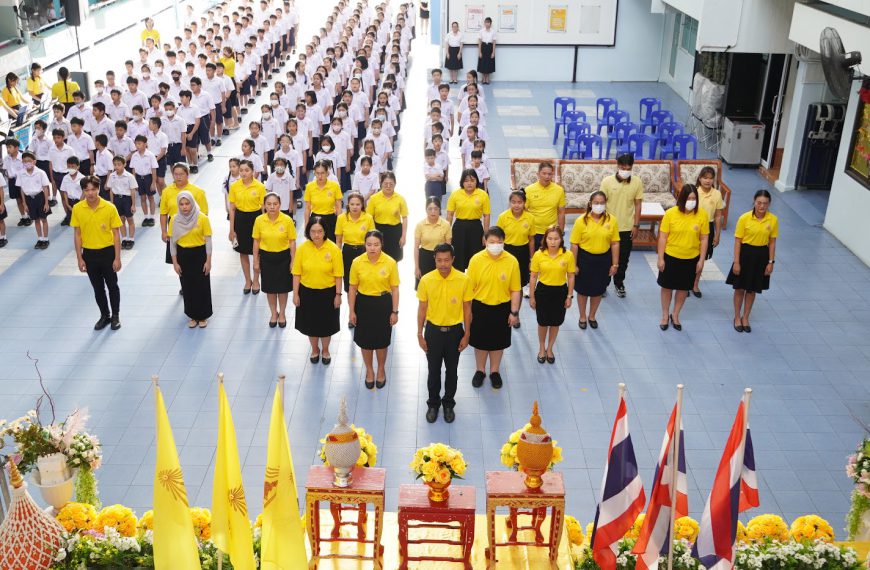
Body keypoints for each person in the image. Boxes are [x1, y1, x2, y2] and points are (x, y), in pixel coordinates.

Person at [416, 243, 473, 424]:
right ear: (434, 260)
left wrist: (467, 334)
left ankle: (448, 404)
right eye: (439, 260)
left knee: (452, 371)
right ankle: (433, 404)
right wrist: (419, 334)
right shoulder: (426, 280)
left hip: (455, 332)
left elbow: (467, 309)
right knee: (433, 371)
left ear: (453, 260)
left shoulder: (463, 280)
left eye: (446, 260)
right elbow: (422, 308)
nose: (443, 264)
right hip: (433, 331)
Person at [467, 226, 520, 389]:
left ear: (504, 242)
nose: (495, 245)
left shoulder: (511, 261)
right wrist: (468, 312)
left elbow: (515, 289)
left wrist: (514, 312)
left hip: (502, 308)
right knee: (480, 342)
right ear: (485, 241)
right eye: (492, 242)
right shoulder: (476, 259)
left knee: (498, 342)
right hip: (480, 307)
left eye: (499, 242)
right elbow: (468, 289)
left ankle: (494, 371)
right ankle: (480, 370)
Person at [349, 230, 400, 389]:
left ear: (381, 245)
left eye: (376, 245)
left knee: (381, 341)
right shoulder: (357, 262)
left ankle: (381, 370)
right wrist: (352, 311)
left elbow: (395, 289)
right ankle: (370, 370)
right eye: (369, 244)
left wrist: (394, 311)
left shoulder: (390, 262)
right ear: (365, 244)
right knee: (365, 340)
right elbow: (352, 289)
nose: (372, 248)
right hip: (363, 303)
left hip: (383, 303)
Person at [71, 176, 122, 331]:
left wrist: (117, 257)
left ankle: (115, 316)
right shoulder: (78, 208)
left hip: (107, 253)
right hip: (90, 254)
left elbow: (116, 234)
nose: (90, 193)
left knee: (112, 286)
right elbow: (77, 234)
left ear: (99, 189)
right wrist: (80, 258)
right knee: (97, 288)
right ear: (83, 191)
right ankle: (104, 315)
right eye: (87, 190)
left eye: (93, 189)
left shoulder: (109, 207)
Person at [656, 184, 709, 331]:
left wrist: (701, 260)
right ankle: (665, 315)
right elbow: (663, 237)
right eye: (688, 198)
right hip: (671, 257)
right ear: (681, 198)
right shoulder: (671, 214)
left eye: (694, 199)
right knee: (667, 287)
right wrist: (661, 258)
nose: (691, 201)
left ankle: (676, 314)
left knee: (683, 289)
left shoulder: (702, 215)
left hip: (691, 258)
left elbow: (704, 239)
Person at [293, 216, 343, 365]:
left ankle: (326, 350)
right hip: (307, 292)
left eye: (319, 231)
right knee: (311, 325)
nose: (316, 235)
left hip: (328, 293)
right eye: (313, 231)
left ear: (325, 232)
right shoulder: (302, 248)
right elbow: (297, 273)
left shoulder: (334, 249)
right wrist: (295, 294)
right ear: (308, 232)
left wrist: (338, 295)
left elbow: (338, 275)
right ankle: (315, 349)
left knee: (327, 325)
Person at [726, 190, 778, 333]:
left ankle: (746, 317)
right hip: (745, 255)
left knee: (752, 289)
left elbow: (772, 242)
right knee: (740, 288)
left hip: (761, 256)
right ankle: (737, 317)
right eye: (759, 203)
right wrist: (736, 262)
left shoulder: (773, 220)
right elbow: (738, 241)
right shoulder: (744, 218)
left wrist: (771, 262)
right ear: (754, 202)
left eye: (765, 203)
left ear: (769, 204)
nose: (761, 206)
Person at [569, 191, 619, 329]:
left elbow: (615, 243)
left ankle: (592, 316)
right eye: (596, 203)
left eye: (602, 203)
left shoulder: (611, 220)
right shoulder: (581, 221)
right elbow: (574, 244)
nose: (599, 205)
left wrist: (615, 264)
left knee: (598, 290)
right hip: (584, 259)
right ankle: (582, 316)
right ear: (590, 204)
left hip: (603, 260)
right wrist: (574, 264)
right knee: (583, 290)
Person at [529, 225, 575, 363]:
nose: (553, 241)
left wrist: (569, 296)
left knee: (555, 323)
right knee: (542, 322)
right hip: (543, 291)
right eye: (550, 238)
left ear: (561, 239)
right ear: (545, 239)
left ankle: (550, 348)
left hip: (560, 291)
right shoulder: (538, 254)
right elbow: (533, 277)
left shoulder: (568, 255)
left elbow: (571, 276)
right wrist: (532, 296)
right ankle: (542, 347)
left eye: (556, 238)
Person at [600, 153, 642, 298]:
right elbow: (601, 203)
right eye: (623, 167)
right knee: (606, 258)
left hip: (626, 228)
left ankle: (619, 283)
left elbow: (638, 205)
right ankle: (603, 284)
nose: (625, 170)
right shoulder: (607, 182)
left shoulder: (637, 182)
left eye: (628, 168)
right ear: (617, 166)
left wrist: (636, 225)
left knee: (623, 259)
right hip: (608, 227)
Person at [253, 193, 297, 328]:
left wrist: (293, 261)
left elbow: (292, 242)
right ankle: (273, 313)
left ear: (280, 204)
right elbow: (256, 241)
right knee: (270, 289)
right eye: (269, 204)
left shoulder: (287, 220)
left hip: (283, 258)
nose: (272, 207)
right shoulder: (259, 220)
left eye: (275, 204)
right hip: (266, 258)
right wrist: (255, 260)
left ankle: (282, 313)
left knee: (283, 289)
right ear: (264, 205)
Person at [170, 191, 213, 328]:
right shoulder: (175, 220)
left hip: (199, 254)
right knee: (187, 286)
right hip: (183, 256)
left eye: (187, 203)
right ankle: (192, 315)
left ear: (192, 203)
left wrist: (208, 261)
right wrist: (175, 263)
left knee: (202, 285)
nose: (184, 207)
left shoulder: (202, 218)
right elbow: (172, 243)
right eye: (181, 204)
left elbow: (208, 241)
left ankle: (203, 315)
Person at [228, 159, 266, 294]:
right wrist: (231, 229)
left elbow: (263, 210)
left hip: (255, 219)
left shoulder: (260, 187)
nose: (243, 173)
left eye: (247, 170)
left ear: (252, 171)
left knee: (257, 253)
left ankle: (256, 280)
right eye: (241, 170)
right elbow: (232, 209)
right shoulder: (234, 186)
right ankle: (247, 280)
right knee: (243, 252)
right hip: (240, 219)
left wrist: (264, 227)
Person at [496, 190, 535, 308]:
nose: (516, 205)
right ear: (509, 203)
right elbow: (498, 238)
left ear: (524, 203)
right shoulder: (503, 217)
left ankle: (515, 312)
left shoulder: (530, 218)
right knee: (504, 283)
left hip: (522, 253)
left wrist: (531, 258)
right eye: (513, 202)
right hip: (506, 251)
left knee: (518, 285)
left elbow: (531, 240)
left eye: (519, 202)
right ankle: (505, 310)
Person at [446, 169, 490, 271]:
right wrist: (447, 233)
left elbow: (486, 216)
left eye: (472, 180)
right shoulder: (455, 194)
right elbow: (449, 215)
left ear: (477, 181)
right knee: (458, 258)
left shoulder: (483, 194)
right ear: (462, 182)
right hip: (459, 228)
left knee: (475, 258)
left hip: (476, 228)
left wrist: (485, 234)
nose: (469, 183)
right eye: (466, 181)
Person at [692, 167, 725, 297]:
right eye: (705, 177)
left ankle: (695, 285)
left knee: (702, 258)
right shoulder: (694, 192)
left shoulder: (717, 194)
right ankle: (685, 283)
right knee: (689, 256)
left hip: (708, 227)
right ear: (700, 178)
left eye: (711, 178)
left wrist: (717, 235)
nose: (708, 181)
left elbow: (718, 216)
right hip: (693, 227)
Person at [335, 192, 374, 294]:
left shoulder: (368, 218)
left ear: (362, 205)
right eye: (352, 204)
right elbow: (338, 240)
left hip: (363, 252)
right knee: (349, 283)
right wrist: (337, 256)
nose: (355, 207)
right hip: (348, 251)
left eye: (358, 204)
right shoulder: (341, 218)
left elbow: (372, 239)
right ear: (348, 205)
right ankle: (351, 308)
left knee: (364, 280)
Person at [366, 171, 408, 262]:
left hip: (395, 231)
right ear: (381, 184)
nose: (388, 186)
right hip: (378, 230)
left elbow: (404, 217)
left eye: (391, 184)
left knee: (394, 259)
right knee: (377, 257)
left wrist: (404, 236)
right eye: (386, 184)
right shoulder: (374, 198)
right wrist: (371, 235)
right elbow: (369, 218)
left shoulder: (400, 199)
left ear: (395, 184)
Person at [414, 197, 452, 288]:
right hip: (424, 258)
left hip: (440, 258)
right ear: (426, 210)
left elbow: (449, 247)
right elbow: (416, 247)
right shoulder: (420, 225)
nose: (433, 212)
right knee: (424, 288)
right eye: (430, 209)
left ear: (439, 210)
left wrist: (447, 264)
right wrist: (416, 267)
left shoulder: (446, 225)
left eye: (435, 209)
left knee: (439, 287)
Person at [17, 152, 51, 249]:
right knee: (36, 220)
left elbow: (45, 188)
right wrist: (24, 203)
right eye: (24, 161)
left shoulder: (40, 172)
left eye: (29, 161)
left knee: (43, 219)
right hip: (29, 199)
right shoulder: (21, 174)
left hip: (40, 197)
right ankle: (40, 239)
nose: (27, 163)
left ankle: (46, 239)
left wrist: (46, 202)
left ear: (34, 162)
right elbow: (22, 189)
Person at [304, 160, 342, 241]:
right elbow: (307, 208)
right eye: (317, 173)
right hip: (315, 218)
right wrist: (306, 224)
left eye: (322, 173)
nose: (320, 176)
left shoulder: (334, 186)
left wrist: (339, 223)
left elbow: (339, 207)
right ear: (314, 173)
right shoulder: (309, 187)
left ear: (327, 173)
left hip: (330, 219)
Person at [476, 17, 496, 84]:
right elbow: (479, 42)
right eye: (486, 22)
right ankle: (483, 78)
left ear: (490, 23)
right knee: (483, 63)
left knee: (489, 63)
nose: (487, 24)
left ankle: (487, 78)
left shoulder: (493, 31)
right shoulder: (481, 31)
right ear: (484, 23)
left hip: (490, 47)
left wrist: (493, 52)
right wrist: (479, 52)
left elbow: (494, 42)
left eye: (488, 22)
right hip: (483, 47)